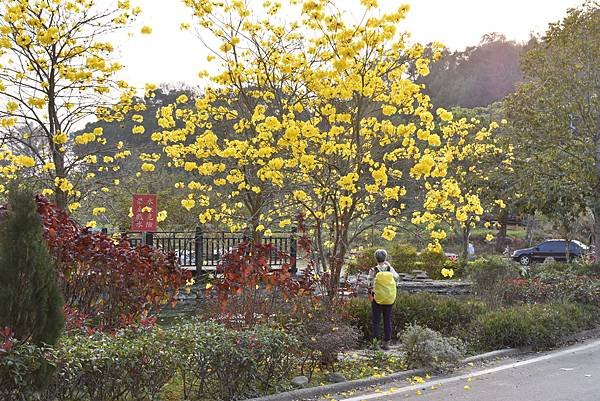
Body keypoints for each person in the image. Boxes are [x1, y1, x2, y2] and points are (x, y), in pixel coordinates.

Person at [367, 249, 399, 350]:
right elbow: (397, 278)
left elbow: (369, 283)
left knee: (376, 320)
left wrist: (370, 294)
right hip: (389, 297)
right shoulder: (390, 269)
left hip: (377, 297)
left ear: (376, 258)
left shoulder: (373, 270)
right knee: (387, 319)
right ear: (385, 258)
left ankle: (375, 343)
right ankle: (386, 343)